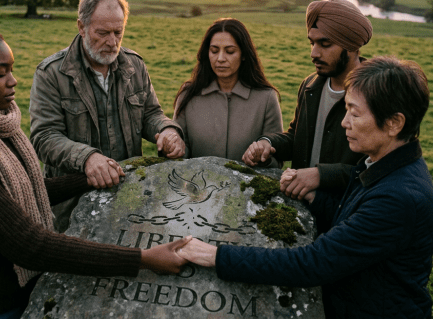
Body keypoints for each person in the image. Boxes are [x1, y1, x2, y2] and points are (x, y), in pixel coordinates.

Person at [0, 22, 190, 319]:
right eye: (0, 73)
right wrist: (144, 258)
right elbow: (29, 245)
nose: (13, 81)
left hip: (8, 293)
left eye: (11, 69)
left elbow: (21, 189)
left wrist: (87, 180)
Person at [178, 56, 433, 319]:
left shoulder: (399, 197)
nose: (345, 122)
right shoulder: (383, 165)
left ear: (394, 123)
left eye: (355, 114)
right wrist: (313, 196)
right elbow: (355, 217)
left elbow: (314, 263)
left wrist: (215, 256)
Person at [29, 0, 185, 231]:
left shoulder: (135, 65)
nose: (112, 42)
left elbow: (151, 114)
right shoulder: (51, 74)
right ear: (81, 27)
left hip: (128, 195)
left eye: (118, 32)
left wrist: (167, 131)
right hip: (71, 205)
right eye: (102, 33)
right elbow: (44, 137)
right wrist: (87, 158)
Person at [243, 0, 372, 200]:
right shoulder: (310, 85)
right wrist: (268, 143)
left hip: (347, 214)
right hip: (300, 206)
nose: (314, 53)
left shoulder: (376, 94)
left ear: (352, 45)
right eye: (312, 43)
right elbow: (298, 138)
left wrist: (321, 175)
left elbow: (377, 169)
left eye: (325, 44)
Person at [173, 18, 283, 160]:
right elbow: (181, 150)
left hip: (248, 182)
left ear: (244, 54)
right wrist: (173, 148)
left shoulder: (267, 98)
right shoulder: (188, 94)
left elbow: (277, 157)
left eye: (230, 52)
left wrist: (261, 157)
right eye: (214, 51)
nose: (220, 58)